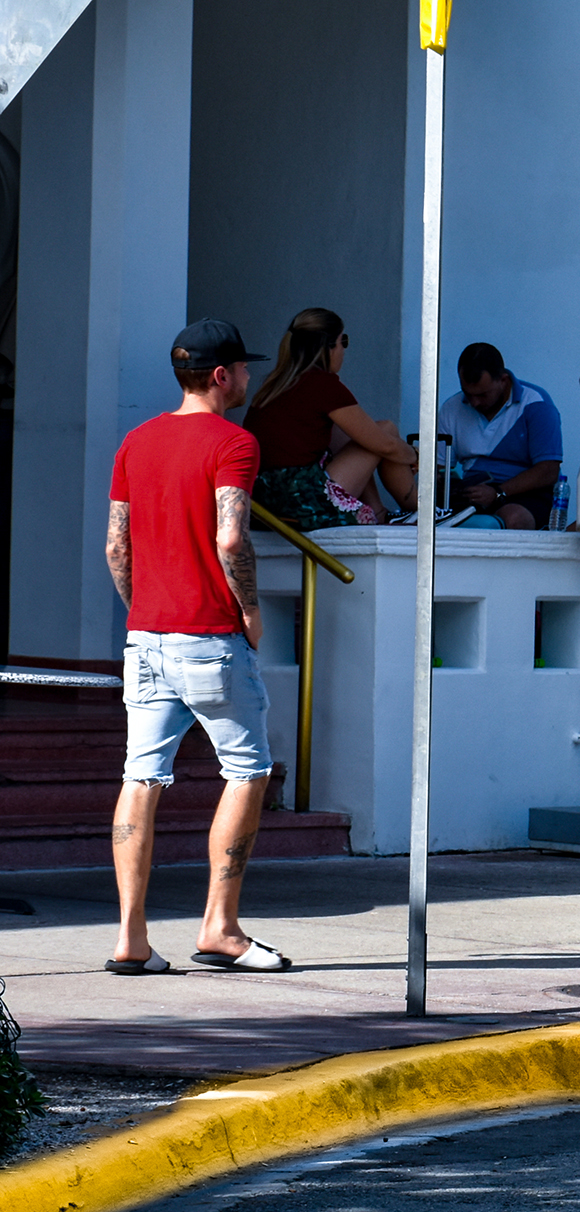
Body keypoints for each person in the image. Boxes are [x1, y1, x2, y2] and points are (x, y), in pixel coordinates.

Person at [103, 320, 291, 975]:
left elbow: (115, 545)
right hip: (210, 639)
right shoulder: (234, 442)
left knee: (141, 777)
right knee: (248, 771)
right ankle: (221, 927)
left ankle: (131, 939)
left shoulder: (137, 440)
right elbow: (232, 536)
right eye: (243, 369)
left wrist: (142, 611)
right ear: (221, 375)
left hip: (146, 639)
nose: (248, 379)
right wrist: (250, 608)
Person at [244, 308, 418, 527]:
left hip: (263, 501)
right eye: (342, 341)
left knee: (346, 435)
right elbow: (385, 445)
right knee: (386, 429)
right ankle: (422, 511)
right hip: (302, 500)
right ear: (328, 347)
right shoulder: (322, 384)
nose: (344, 350)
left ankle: (379, 511)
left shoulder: (274, 386)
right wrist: (415, 455)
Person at [436, 343, 564, 530]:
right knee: (431, 517)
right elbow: (438, 468)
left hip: (526, 494)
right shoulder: (451, 408)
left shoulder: (536, 404)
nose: (474, 402)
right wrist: (445, 484)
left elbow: (548, 471)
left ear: (503, 380)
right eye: (468, 394)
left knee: (514, 518)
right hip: (471, 492)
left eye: (482, 395)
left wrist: (497, 493)